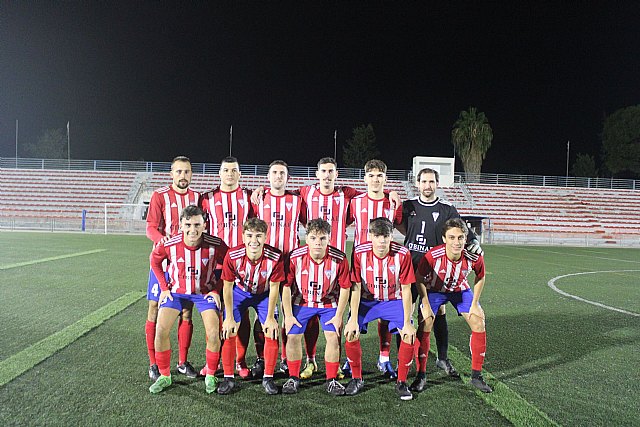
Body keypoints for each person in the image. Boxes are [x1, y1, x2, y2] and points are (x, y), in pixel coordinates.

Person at [253, 157, 401, 380]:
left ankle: (348, 362)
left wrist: (391, 193)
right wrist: (261, 188)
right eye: (323, 171)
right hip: (303, 260)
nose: (327, 175)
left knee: (339, 315)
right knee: (298, 311)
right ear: (317, 174)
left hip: (336, 263)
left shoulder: (347, 195)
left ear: (336, 174)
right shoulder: (304, 194)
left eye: (331, 171)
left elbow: (374, 188)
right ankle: (300, 360)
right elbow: (279, 187)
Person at [397, 167, 482, 391]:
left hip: (436, 271)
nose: (428, 185)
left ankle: (442, 357)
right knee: (406, 315)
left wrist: (475, 241)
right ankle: (401, 362)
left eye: (432, 181)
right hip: (410, 267)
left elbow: (463, 229)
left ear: (437, 184)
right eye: (424, 181)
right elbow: (396, 222)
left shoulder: (446, 209)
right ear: (417, 183)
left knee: (436, 314)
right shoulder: (409, 206)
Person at [148, 205, 228, 394]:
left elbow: (229, 264)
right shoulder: (169, 243)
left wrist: (217, 289)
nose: (193, 229)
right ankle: (165, 376)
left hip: (203, 294)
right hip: (176, 292)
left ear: (204, 225)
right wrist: (164, 288)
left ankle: (210, 375)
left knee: (214, 332)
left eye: (197, 224)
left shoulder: (215, 243)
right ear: (181, 226)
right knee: (160, 329)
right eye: (188, 225)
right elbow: (155, 261)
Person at [415, 218, 492, 393]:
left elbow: (481, 276)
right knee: (425, 320)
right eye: (451, 237)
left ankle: (476, 376)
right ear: (444, 239)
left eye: (460, 238)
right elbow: (419, 278)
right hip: (434, 290)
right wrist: (425, 302)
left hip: (459, 291)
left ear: (466, 238)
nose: (456, 242)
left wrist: (474, 304)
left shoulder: (474, 256)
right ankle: (421, 374)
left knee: (479, 320)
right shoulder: (432, 256)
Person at [343, 218, 417, 400]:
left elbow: (407, 288)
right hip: (368, 301)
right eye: (377, 236)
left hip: (393, 301)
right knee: (351, 332)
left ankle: (401, 382)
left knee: (409, 334)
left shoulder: (403, 253)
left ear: (392, 236)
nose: (382, 241)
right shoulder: (359, 252)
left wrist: (407, 321)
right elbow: (356, 286)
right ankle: (356, 378)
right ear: (370, 236)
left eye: (386, 236)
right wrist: (352, 318)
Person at [199, 156, 258, 379]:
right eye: (226, 170)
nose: (230, 174)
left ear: (240, 174)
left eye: (234, 170)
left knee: (239, 316)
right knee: (214, 316)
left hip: (243, 266)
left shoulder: (249, 197)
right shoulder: (207, 198)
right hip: (215, 265)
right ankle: (211, 361)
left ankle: (240, 362)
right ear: (219, 173)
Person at [281, 219, 351, 396]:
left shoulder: (339, 258)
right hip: (301, 302)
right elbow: (286, 287)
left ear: (329, 238)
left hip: (328, 304)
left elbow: (345, 288)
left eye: (322, 238)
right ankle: (293, 377)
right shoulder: (296, 257)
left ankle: (331, 380)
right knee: (293, 336)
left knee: (333, 337)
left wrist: (339, 315)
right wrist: (288, 315)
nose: (318, 243)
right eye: (313, 238)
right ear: (307, 239)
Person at [345, 159, 402, 379]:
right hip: (360, 265)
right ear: (365, 178)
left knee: (385, 314)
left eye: (380, 176)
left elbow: (399, 225)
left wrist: (392, 193)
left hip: (387, 265)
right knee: (355, 311)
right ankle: (350, 362)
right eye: (371, 175)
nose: (375, 180)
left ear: (385, 178)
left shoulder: (393, 203)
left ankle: (384, 358)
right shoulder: (355, 201)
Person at [145, 156, 200, 381]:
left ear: (191, 174)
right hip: (165, 263)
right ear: (171, 173)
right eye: (179, 172)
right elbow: (150, 227)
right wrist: (163, 242)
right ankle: (154, 364)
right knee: (154, 309)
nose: (183, 176)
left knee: (186, 312)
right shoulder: (160, 196)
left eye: (187, 172)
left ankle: (182, 362)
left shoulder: (198, 197)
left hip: (188, 265)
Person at [219, 218, 285, 395]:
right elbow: (227, 286)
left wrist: (270, 317)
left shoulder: (275, 257)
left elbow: (274, 288)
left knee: (271, 330)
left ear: (265, 237)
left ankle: (268, 377)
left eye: (258, 236)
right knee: (229, 329)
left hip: (263, 294)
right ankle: (228, 377)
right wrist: (229, 317)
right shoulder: (233, 255)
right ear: (243, 236)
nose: (253, 240)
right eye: (249, 235)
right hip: (239, 293)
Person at [252, 160, 303, 375]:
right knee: (264, 313)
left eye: (282, 173)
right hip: (266, 265)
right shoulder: (258, 199)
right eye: (274, 173)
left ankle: (284, 357)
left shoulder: (298, 200)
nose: (278, 176)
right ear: (268, 177)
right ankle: (261, 357)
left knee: (289, 311)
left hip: (291, 264)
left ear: (288, 177)